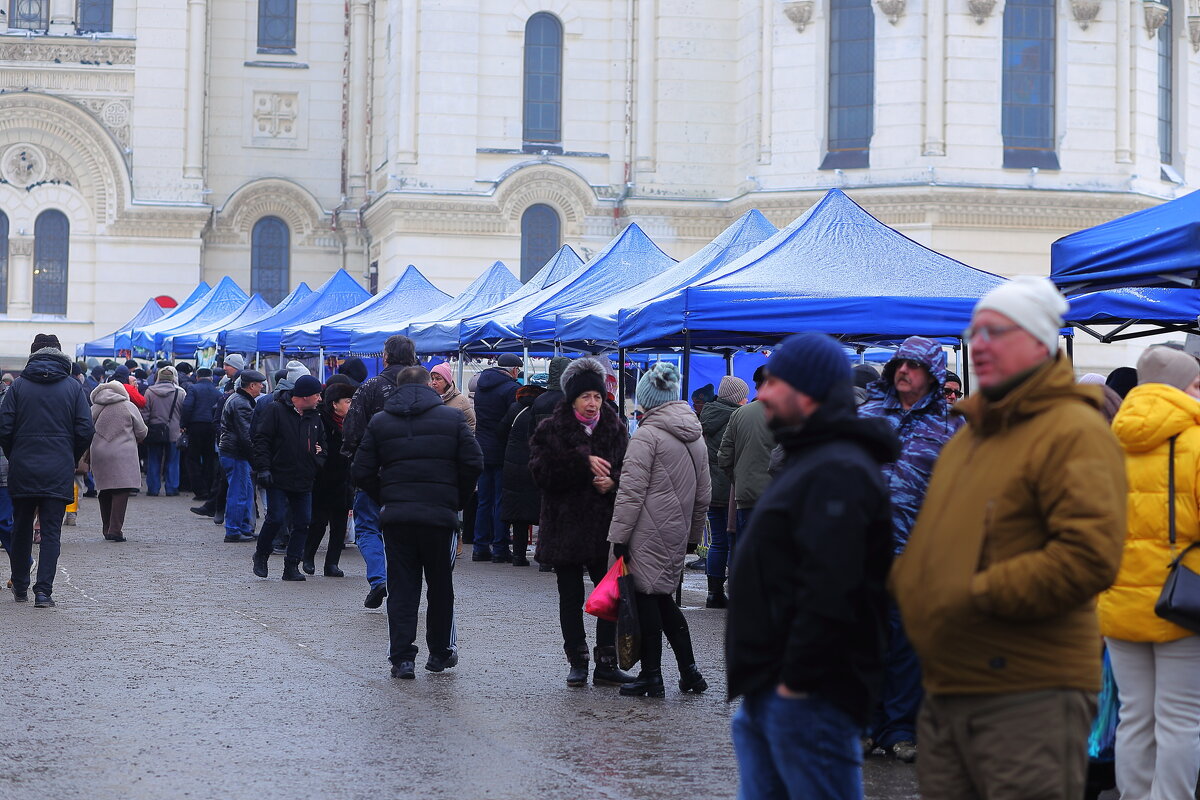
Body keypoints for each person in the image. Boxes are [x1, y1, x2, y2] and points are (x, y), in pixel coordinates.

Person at [891, 276, 1127, 800]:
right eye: (976, 332)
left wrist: (973, 595)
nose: (981, 344)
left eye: (998, 331)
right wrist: (913, 595)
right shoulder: (967, 436)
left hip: (1029, 692)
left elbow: (1088, 556)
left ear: (1040, 342)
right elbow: (931, 540)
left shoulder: (1073, 430)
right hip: (950, 685)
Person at [727, 333, 897, 799]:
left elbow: (834, 586)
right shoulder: (811, 459)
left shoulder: (838, 469)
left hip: (809, 693)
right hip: (775, 687)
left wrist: (796, 684)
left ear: (808, 391)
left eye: (773, 382)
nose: (761, 394)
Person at [858, 337, 965, 764]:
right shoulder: (866, 417)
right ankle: (865, 726)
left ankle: (901, 729)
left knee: (907, 642)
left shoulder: (950, 427)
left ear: (934, 374)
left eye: (914, 365)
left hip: (919, 554)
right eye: (899, 363)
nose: (903, 370)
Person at [1099, 345, 1200, 800]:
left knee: (1135, 715)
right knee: (1180, 718)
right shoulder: (1197, 442)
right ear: (1185, 387)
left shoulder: (1107, 442)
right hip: (1183, 602)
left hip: (1119, 602)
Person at [352, 367, 483, 678]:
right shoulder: (451, 419)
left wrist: (386, 497)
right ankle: (439, 652)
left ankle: (402, 658)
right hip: (440, 516)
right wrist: (456, 500)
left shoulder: (381, 421)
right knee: (441, 586)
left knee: (402, 587)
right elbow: (474, 462)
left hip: (398, 517)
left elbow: (360, 471)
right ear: (429, 385)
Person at [607, 361, 711, 698]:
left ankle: (652, 674)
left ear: (648, 400)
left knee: (648, 601)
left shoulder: (647, 436)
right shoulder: (695, 436)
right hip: (676, 531)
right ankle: (690, 671)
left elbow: (631, 493)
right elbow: (703, 494)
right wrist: (693, 537)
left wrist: (619, 538)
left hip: (645, 532)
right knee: (664, 600)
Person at [529, 357, 634, 688]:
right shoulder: (551, 429)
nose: (592, 404)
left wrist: (613, 482)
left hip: (604, 526)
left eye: (598, 397)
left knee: (608, 595)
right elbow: (539, 473)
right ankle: (577, 659)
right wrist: (580, 463)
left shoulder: (615, 428)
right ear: (572, 399)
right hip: (565, 526)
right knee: (570, 595)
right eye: (586, 397)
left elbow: (632, 473)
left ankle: (606, 662)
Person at [0, 334, 95, 608]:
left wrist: (14, 454)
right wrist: (70, 455)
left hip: (24, 467)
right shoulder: (73, 388)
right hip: (58, 468)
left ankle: (20, 586)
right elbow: (85, 429)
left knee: (21, 529)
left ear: (33, 355)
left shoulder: (17, 387)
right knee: (51, 532)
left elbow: (4, 428)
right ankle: (44, 592)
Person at [341, 334, 419, 608]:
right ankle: (404, 586)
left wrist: (354, 460)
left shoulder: (370, 387)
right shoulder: (426, 392)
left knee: (367, 528)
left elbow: (351, 431)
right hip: (416, 474)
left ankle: (378, 578)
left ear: (385, 356)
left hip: (376, 472)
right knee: (406, 533)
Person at [251, 375, 326, 582]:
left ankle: (292, 565)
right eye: (317, 394)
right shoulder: (276, 410)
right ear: (304, 396)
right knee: (276, 518)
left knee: (303, 522)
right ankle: (261, 554)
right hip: (278, 475)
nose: (320, 399)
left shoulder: (315, 417)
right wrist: (263, 468)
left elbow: (322, 446)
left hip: (304, 477)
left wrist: (317, 460)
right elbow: (262, 440)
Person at [716, 365, 773, 590]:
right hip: (779, 498)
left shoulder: (740, 414)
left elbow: (724, 457)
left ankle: (746, 602)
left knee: (745, 553)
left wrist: (738, 478)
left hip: (746, 496)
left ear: (757, 385)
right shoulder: (790, 413)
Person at [699, 375, 748, 608]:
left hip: (710, 485)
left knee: (717, 541)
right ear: (737, 398)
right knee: (734, 540)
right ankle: (735, 592)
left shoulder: (706, 414)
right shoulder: (737, 418)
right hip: (730, 488)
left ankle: (713, 593)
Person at [303, 381, 356, 577]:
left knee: (339, 525)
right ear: (335, 403)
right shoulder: (320, 420)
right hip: (323, 479)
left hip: (344, 480)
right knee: (318, 522)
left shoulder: (353, 422)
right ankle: (308, 557)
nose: (351, 405)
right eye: (348, 401)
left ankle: (331, 564)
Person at [472, 353, 521, 563]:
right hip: (501, 450)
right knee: (500, 500)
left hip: (482, 449)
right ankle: (500, 547)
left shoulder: (481, 387)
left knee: (484, 500)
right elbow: (511, 421)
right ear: (513, 370)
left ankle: (480, 546)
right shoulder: (511, 389)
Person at [89, 381, 147, 542]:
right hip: (124, 453)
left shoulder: (95, 408)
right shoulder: (128, 406)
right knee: (121, 490)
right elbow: (142, 431)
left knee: (104, 489)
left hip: (99, 452)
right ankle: (115, 529)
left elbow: (85, 429)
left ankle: (106, 527)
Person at [218, 369, 267, 543]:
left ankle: (242, 528)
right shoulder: (242, 403)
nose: (262, 386)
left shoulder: (238, 399)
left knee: (244, 492)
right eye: (260, 383)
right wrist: (256, 458)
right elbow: (246, 434)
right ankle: (233, 529)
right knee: (238, 493)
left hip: (234, 451)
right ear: (251, 385)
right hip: (236, 453)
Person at [499, 383, 545, 567]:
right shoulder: (544, 410)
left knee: (518, 513)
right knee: (543, 511)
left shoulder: (514, 408)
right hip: (536, 463)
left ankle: (518, 556)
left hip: (514, 464)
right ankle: (544, 559)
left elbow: (500, 432)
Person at [143, 366, 186, 497]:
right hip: (174, 432)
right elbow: (184, 412)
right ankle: (172, 488)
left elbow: (145, 414)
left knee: (153, 460)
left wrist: (146, 427)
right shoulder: (181, 393)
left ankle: (153, 488)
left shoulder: (149, 392)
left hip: (155, 432)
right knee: (173, 460)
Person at [181, 367, 222, 502]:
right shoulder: (216, 391)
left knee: (192, 458)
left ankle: (199, 489)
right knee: (209, 458)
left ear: (197, 377)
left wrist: (184, 425)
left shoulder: (193, 389)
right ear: (211, 377)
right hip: (211, 426)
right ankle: (209, 487)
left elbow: (187, 407)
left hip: (195, 425)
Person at [430, 362, 476, 431]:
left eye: (438, 379)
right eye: (432, 379)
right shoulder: (429, 399)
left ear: (447, 381)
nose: (434, 382)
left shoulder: (461, 400)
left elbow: (471, 425)